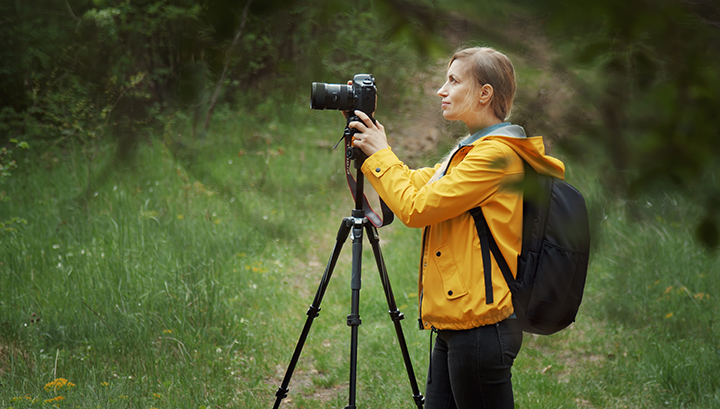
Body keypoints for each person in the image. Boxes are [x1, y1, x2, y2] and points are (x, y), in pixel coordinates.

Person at [347, 46, 566, 408]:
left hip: (482, 327)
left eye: (452, 81)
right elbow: (419, 183)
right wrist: (375, 144)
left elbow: (418, 208)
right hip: (458, 323)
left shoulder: (496, 156)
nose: (441, 90)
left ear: (485, 93)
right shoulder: (469, 151)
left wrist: (382, 154)